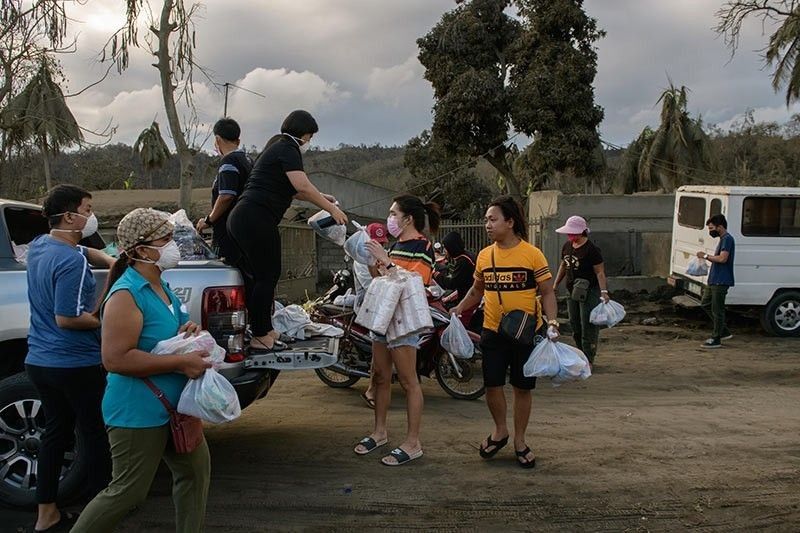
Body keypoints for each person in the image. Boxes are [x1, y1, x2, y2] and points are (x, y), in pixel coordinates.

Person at [72, 208, 212, 533]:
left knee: (195, 473)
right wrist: (180, 362)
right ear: (141, 251)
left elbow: (168, 332)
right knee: (127, 492)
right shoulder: (125, 295)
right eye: (165, 239)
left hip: (175, 408)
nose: (173, 244)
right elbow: (116, 359)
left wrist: (186, 332)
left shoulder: (162, 286)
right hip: (137, 411)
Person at [25, 185, 114, 533]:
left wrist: (106, 259)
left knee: (55, 433)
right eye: (87, 209)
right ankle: (100, 513)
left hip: (40, 361)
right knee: (94, 435)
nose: (90, 216)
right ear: (69, 216)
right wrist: (105, 309)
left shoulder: (39, 246)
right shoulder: (70, 261)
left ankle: (46, 513)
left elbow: (79, 248)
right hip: (74, 363)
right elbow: (69, 318)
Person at [227, 110, 347, 351]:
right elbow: (302, 184)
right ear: (303, 134)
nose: (309, 142)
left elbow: (297, 190)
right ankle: (260, 334)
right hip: (255, 217)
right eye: (310, 137)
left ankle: (265, 328)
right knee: (267, 275)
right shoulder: (287, 148)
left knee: (259, 277)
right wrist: (332, 210)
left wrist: (322, 197)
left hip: (246, 218)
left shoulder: (277, 147)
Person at [453, 196, 559, 469]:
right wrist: (459, 310)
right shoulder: (485, 256)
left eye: (493, 219)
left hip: (525, 333)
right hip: (492, 332)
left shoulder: (532, 254)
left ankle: (520, 442)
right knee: (492, 385)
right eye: (487, 219)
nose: (487, 224)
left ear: (509, 222)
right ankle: (500, 431)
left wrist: (553, 323)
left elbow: (547, 292)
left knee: (522, 388)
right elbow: (477, 290)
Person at [353, 195, 440, 466]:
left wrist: (386, 262)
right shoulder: (396, 245)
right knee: (379, 376)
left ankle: (413, 442)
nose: (390, 218)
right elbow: (384, 282)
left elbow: (414, 283)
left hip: (404, 324)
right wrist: (371, 260)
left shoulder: (423, 247)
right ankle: (379, 432)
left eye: (393, 213)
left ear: (407, 218)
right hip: (384, 320)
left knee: (408, 380)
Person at [553, 215, 610, 366]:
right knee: (575, 324)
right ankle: (581, 354)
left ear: (582, 232)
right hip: (572, 290)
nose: (570, 235)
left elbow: (599, 272)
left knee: (588, 325)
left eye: (573, 232)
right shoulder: (567, 246)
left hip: (589, 291)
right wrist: (555, 285)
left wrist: (604, 292)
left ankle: (589, 358)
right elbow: (563, 266)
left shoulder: (592, 250)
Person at [196, 118, 252, 264]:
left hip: (229, 233)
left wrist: (209, 220)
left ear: (217, 139)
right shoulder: (248, 160)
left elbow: (227, 195)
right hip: (245, 229)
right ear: (238, 141)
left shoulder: (229, 161)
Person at [352, 223, 389, 410]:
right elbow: (375, 286)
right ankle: (371, 390)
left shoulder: (380, 255)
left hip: (383, 304)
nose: (379, 246)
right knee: (380, 350)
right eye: (376, 242)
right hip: (369, 306)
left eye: (381, 243)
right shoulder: (361, 260)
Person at [696, 214, 735, 349]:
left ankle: (716, 337)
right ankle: (722, 331)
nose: (710, 231)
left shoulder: (727, 240)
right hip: (714, 279)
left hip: (721, 280)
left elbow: (723, 259)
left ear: (720, 226)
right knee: (705, 303)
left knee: (717, 310)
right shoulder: (722, 239)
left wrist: (706, 256)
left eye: (712, 228)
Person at [433, 231, 476, 304]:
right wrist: (448, 298)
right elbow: (461, 284)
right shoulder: (467, 256)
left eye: (445, 248)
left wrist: (435, 274)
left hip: (470, 302)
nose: (444, 251)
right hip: (469, 297)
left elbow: (452, 284)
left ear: (451, 248)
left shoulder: (463, 261)